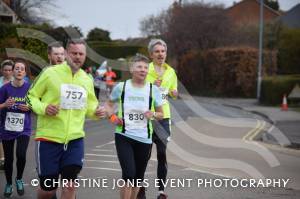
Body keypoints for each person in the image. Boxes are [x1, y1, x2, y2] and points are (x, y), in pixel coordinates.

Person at [26, 39, 106, 199]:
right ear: (67, 54)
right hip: (48, 139)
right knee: (48, 190)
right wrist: (44, 108)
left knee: (69, 187)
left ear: (85, 56)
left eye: (81, 54)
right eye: (74, 53)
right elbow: (30, 97)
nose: (77, 57)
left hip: (74, 140)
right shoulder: (50, 73)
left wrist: (96, 112)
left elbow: (90, 106)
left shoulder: (86, 79)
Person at [106, 54, 163, 199]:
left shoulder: (153, 89)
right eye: (139, 67)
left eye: (145, 67)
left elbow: (161, 114)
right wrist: (112, 117)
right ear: (132, 69)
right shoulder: (121, 87)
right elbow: (108, 105)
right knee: (128, 174)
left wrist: (153, 114)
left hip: (144, 138)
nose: (143, 70)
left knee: (138, 177)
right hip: (124, 136)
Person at [138, 39, 178, 199]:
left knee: (162, 153)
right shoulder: (144, 70)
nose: (160, 54)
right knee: (144, 155)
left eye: (163, 51)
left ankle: (161, 192)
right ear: (151, 54)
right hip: (146, 117)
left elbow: (172, 92)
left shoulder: (171, 72)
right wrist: (150, 86)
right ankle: (139, 186)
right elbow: (136, 89)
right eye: (157, 51)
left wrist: (174, 93)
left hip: (163, 117)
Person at [0, 59, 32, 198]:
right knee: (8, 159)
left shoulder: (30, 88)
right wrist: (4, 104)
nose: (19, 70)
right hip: (7, 128)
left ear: (25, 72)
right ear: (13, 71)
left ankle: (18, 179)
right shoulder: (4, 89)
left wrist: (30, 107)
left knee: (21, 155)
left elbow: (37, 107)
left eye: (22, 69)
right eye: (16, 68)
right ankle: (8, 183)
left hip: (24, 129)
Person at [0, 59, 14, 171]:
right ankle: (3, 158)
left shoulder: (18, 81)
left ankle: (9, 157)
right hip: (1, 110)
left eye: (9, 70)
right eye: (5, 70)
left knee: (9, 137)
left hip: (14, 114)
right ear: (2, 70)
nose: (7, 72)